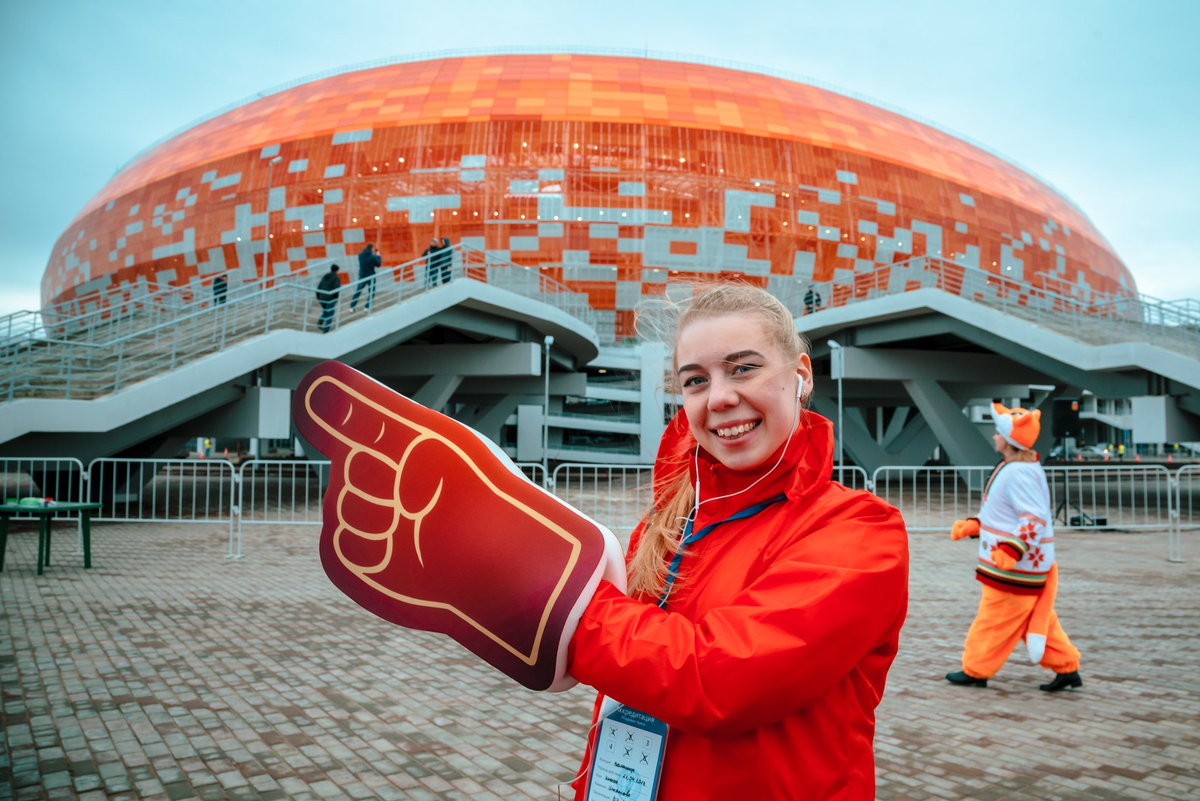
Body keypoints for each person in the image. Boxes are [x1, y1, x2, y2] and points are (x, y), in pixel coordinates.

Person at [567, 283, 909, 799]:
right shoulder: (666, 522)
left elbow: (717, 680)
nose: (720, 397)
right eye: (696, 380)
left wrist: (563, 609)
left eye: (744, 368)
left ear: (800, 375)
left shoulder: (858, 531)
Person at [946, 402, 1083, 692]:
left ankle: (976, 670)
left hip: (1013, 568)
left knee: (993, 620)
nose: (994, 437)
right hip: (1024, 566)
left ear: (1009, 440)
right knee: (1036, 621)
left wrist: (1010, 550)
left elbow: (1032, 518)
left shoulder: (1018, 472)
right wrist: (976, 524)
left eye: (998, 433)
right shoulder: (1018, 468)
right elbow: (1003, 514)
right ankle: (1067, 666)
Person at [350, 243, 380, 311]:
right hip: (370, 276)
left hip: (362, 276)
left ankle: (352, 307)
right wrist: (378, 256)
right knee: (371, 292)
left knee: (358, 291)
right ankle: (367, 307)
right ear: (372, 248)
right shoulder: (372, 257)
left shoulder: (360, 255)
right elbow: (378, 264)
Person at [315, 264, 341, 333]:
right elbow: (336, 289)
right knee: (330, 314)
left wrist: (318, 297)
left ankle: (320, 320)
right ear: (337, 270)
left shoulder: (325, 276)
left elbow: (319, 287)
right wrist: (336, 299)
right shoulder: (336, 278)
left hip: (321, 297)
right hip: (330, 298)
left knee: (326, 311)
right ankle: (325, 331)